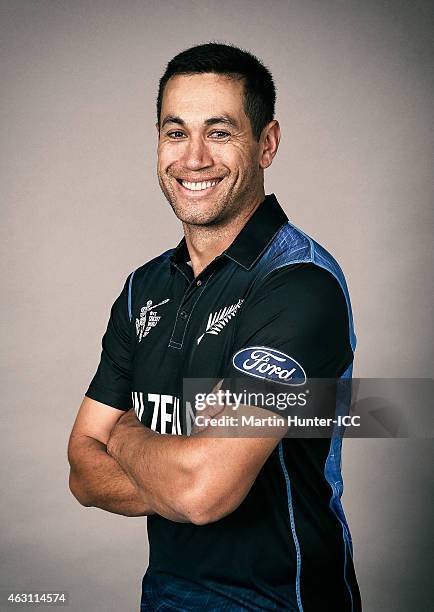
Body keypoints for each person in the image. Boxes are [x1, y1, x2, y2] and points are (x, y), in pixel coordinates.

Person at [68, 43, 362, 611]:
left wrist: (127, 437)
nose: (194, 158)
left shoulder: (299, 286)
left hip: (282, 601)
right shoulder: (142, 288)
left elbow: (201, 493)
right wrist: (181, 470)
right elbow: (82, 468)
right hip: (164, 598)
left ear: (267, 143)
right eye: (176, 132)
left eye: (220, 132)